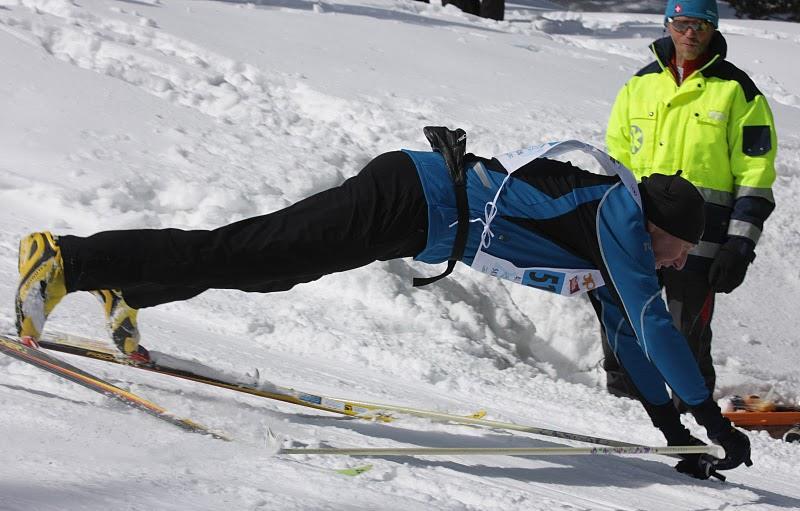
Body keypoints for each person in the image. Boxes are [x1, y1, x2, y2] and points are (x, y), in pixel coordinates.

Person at [15, 128, 750, 478]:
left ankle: (126, 282)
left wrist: (675, 431)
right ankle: (68, 257)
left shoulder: (613, 247)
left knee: (261, 265)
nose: (678, 264)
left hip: (412, 212)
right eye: (679, 250)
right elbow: (655, 322)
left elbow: (630, 334)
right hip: (406, 193)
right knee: (247, 251)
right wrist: (711, 415)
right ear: (656, 229)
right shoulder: (621, 219)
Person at [603, 0, 777, 410]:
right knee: (624, 320)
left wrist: (739, 245)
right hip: (637, 232)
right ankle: (620, 409)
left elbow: (756, 176)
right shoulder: (639, 86)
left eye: (700, 25)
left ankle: (693, 416)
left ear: (713, 30)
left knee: (686, 336)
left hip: (701, 242)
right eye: (682, 24)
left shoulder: (739, 92)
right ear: (668, 26)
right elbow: (615, 161)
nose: (690, 34)